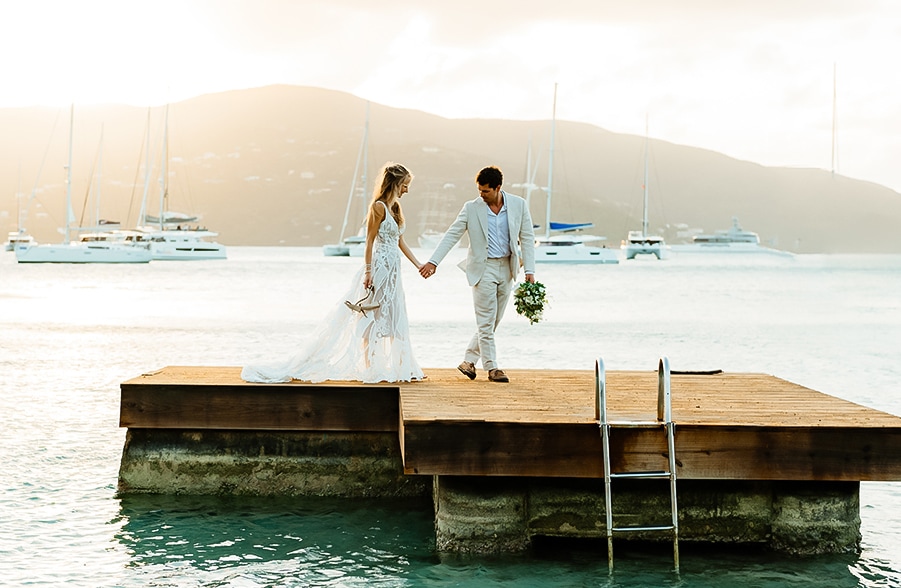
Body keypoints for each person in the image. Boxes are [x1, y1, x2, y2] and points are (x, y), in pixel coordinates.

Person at [242, 162, 425, 384]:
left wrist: (418, 265)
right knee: (372, 317)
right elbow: (369, 242)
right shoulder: (378, 207)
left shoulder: (395, 208)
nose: (407, 189)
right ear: (395, 183)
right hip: (379, 269)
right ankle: (372, 368)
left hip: (395, 272)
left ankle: (403, 367)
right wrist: (368, 273)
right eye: (405, 185)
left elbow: (400, 241)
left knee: (396, 316)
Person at [419, 165, 536, 383]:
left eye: (485, 191)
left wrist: (529, 270)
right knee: (485, 320)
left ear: (498, 187)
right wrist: (433, 262)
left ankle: (468, 361)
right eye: (479, 190)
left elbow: (527, 238)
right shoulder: (471, 208)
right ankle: (492, 368)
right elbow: (452, 235)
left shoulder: (519, 205)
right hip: (483, 269)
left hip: (508, 268)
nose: (481, 195)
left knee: (493, 321)